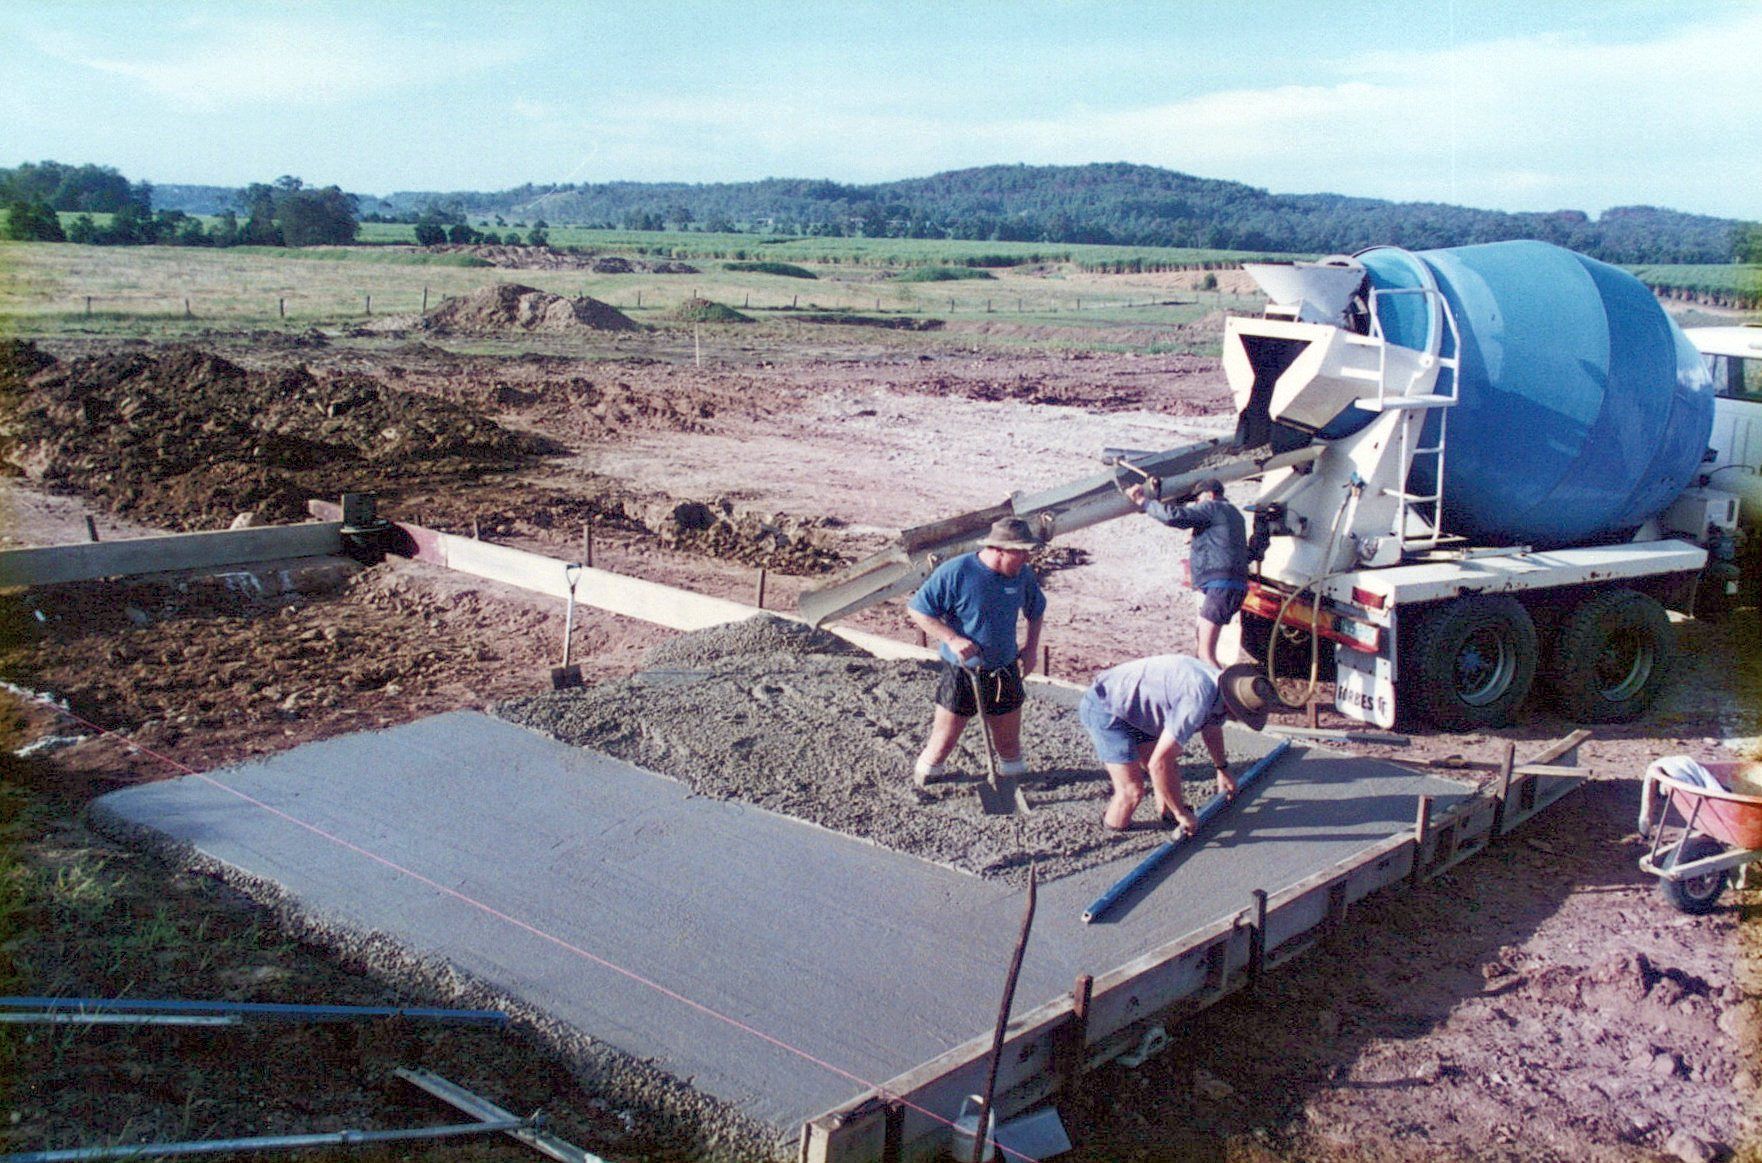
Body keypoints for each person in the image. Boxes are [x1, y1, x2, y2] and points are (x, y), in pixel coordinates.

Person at [906, 517, 1046, 786]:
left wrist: (1031, 649)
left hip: (1004, 668)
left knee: (1009, 743)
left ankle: (1012, 784)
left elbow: (1036, 610)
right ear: (998, 549)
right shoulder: (957, 572)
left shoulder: (1023, 576)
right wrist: (952, 638)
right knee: (943, 742)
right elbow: (918, 610)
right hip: (962, 670)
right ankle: (925, 782)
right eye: (1020, 552)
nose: (1027, 558)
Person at [1078, 654, 1281, 834]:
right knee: (1132, 791)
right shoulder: (1196, 700)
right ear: (1234, 707)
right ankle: (1114, 830)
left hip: (1137, 709)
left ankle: (1168, 815)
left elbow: (1212, 729)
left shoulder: (1221, 690)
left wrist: (1223, 769)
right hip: (1106, 706)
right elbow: (1158, 764)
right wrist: (1181, 812)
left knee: (1169, 769)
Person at [1124, 476, 1248, 669]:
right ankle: (1216, 692)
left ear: (1209, 494)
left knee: (1205, 654)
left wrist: (1143, 501)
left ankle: (1223, 696)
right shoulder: (1234, 514)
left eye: (1197, 500)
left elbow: (1175, 517)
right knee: (1204, 651)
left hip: (1220, 588)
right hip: (1232, 587)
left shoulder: (1212, 507)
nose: (1197, 504)